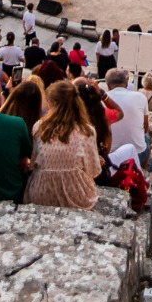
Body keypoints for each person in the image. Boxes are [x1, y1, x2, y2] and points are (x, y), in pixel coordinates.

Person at [25, 79, 103, 208]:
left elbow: (34, 164)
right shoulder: (87, 130)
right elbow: (93, 170)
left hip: (41, 191)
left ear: (53, 103)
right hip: (76, 194)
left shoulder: (39, 127)